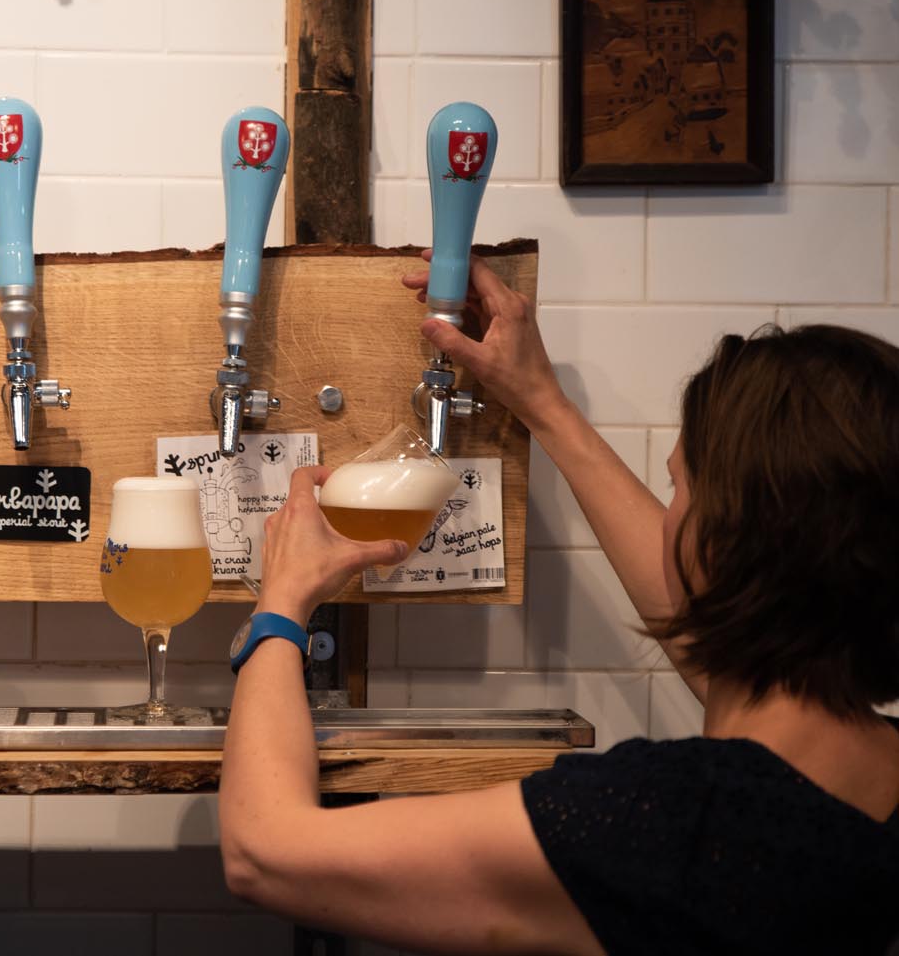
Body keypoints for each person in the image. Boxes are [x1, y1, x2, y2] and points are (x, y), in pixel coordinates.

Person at [218, 252, 899, 955]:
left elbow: (266, 851)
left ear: (724, 543)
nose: (667, 516)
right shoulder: (857, 780)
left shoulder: (668, 823)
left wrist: (282, 604)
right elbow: (724, 638)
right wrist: (542, 401)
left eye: (679, 488)